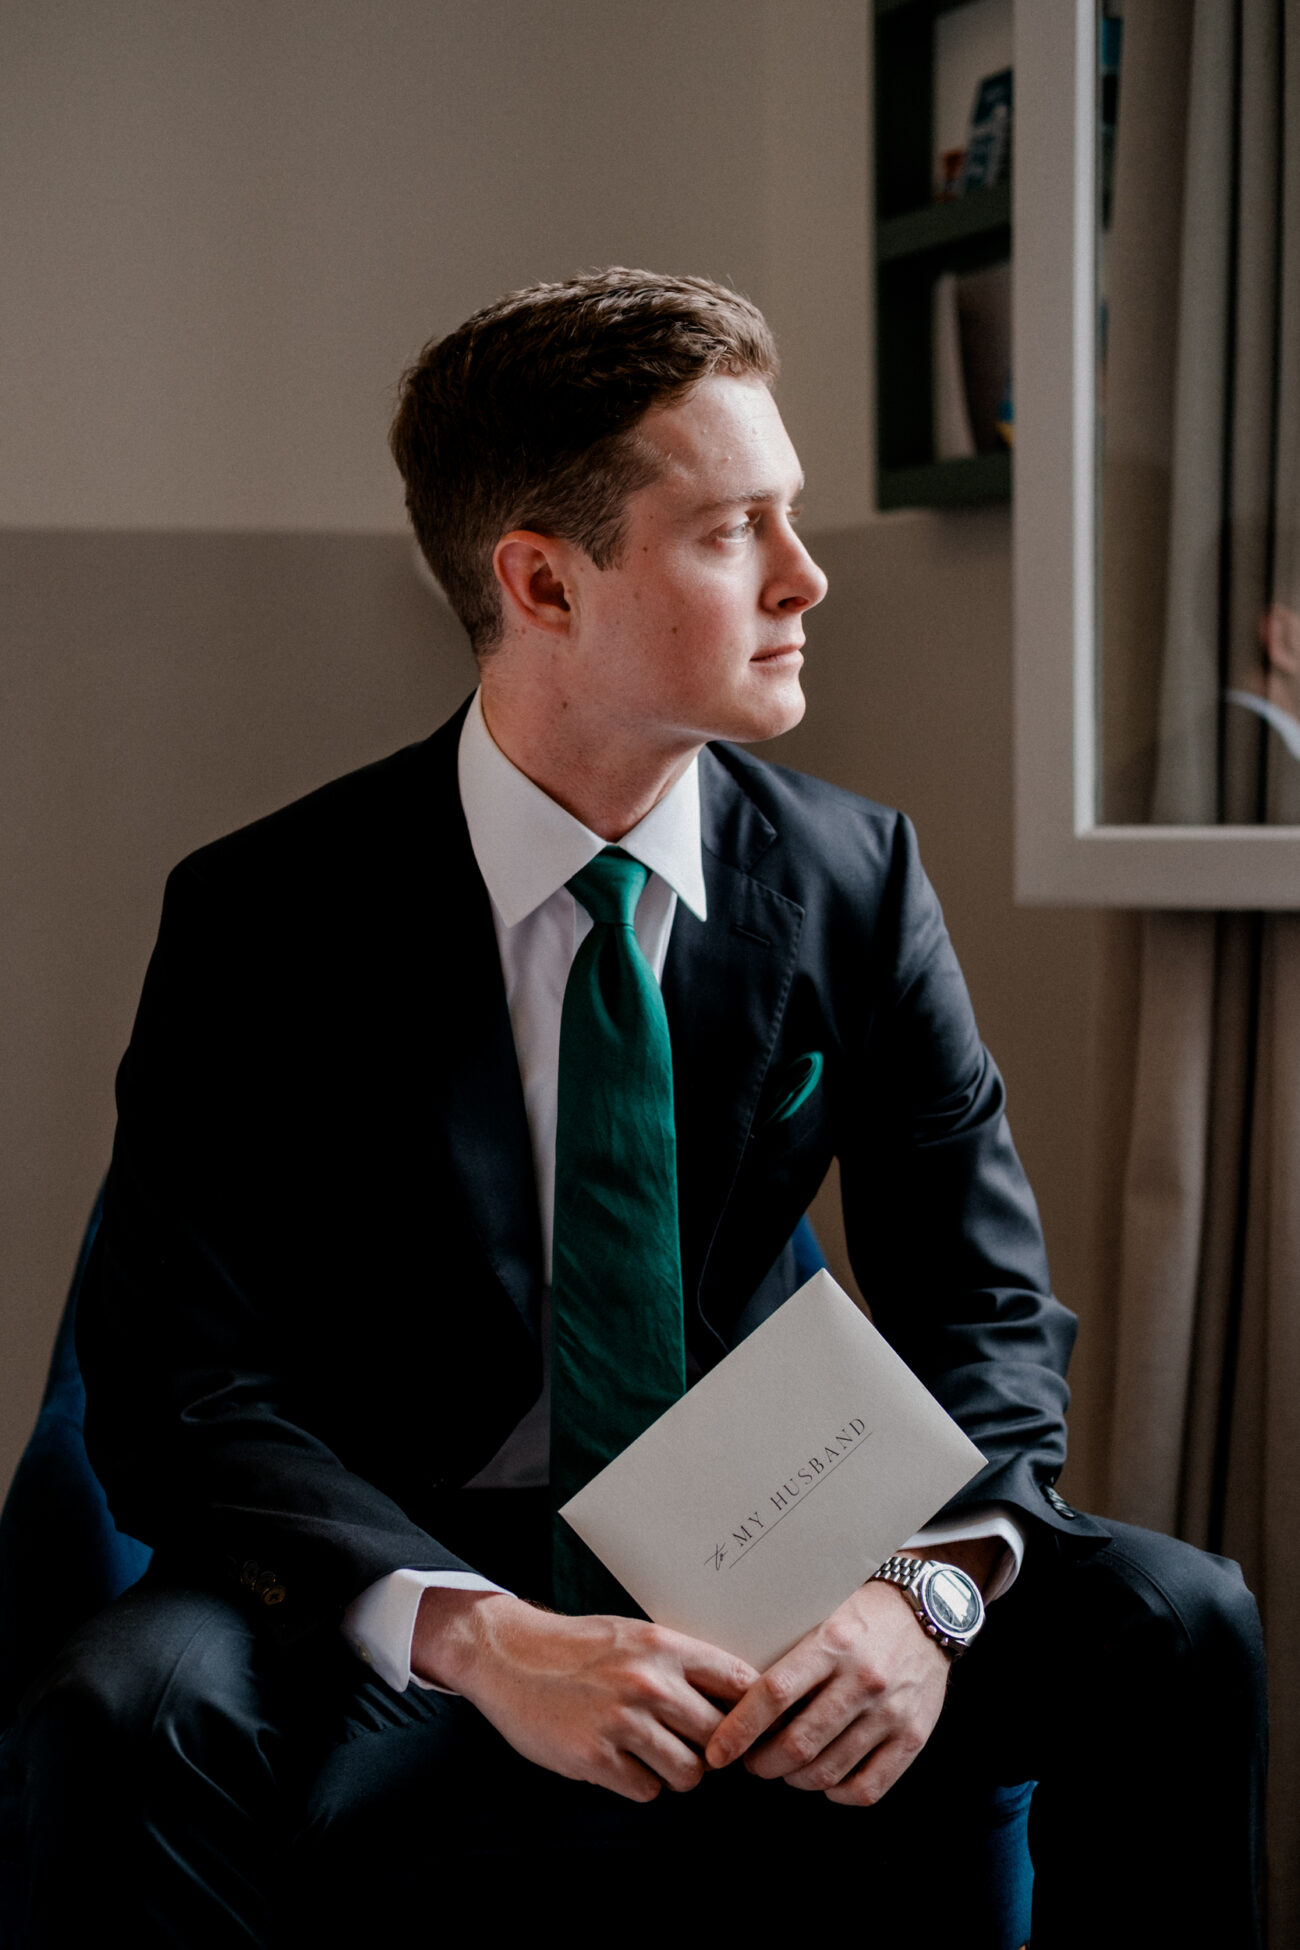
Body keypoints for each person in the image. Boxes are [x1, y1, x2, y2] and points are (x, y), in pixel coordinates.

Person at [16, 270, 1265, 1945]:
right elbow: (184, 1391)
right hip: (396, 1545)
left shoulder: (854, 877)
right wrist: (476, 1630)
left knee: (1182, 1613)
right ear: (540, 577)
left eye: (794, 516)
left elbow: (985, 1311)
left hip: (774, 1525)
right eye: (734, 528)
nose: (807, 577)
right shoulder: (266, 916)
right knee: (121, 1708)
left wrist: (926, 1589)